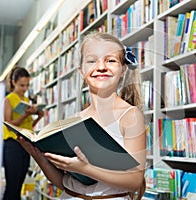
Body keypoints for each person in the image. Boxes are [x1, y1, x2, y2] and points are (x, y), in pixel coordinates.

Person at [17, 32, 147, 199]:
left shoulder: (130, 115)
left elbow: (135, 181)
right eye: (92, 61)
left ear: (122, 69)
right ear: (81, 71)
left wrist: (85, 169)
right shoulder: (77, 119)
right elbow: (63, 182)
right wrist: (38, 156)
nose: (101, 67)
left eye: (110, 60)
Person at [3, 66, 44, 200]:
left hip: (25, 144)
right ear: (14, 82)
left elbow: (27, 126)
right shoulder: (9, 99)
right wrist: (25, 115)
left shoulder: (26, 101)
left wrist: (38, 116)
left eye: (27, 85)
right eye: (22, 85)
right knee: (12, 187)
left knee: (20, 185)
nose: (25, 89)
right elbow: (8, 124)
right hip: (13, 145)